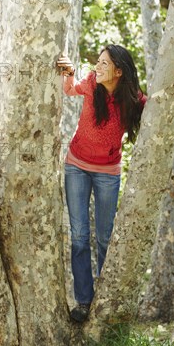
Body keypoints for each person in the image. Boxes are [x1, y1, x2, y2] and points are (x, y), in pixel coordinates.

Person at [56, 44, 146, 323]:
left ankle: (106, 299)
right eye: (98, 61)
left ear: (119, 71)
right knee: (80, 237)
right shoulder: (92, 83)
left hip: (108, 172)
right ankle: (83, 301)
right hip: (77, 167)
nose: (98, 67)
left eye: (105, 64)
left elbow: (154, 110)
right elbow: (70, 90)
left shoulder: (133, 99)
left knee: (105, 237)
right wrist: (70, 72)